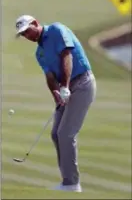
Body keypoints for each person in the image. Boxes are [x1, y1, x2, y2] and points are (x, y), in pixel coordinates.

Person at [15, 15, 96, 192]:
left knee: (66, 133)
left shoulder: (57, 30)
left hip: (82, 83)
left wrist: (65, 87)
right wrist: (56, 94)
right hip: (65, 89)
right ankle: (67, 180)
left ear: (35, 23)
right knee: (55, 133)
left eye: (27, 31)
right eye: (23, 35)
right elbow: (50, 77)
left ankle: (72, 183)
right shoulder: (39, 52)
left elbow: (67, 56)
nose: (27, 36)